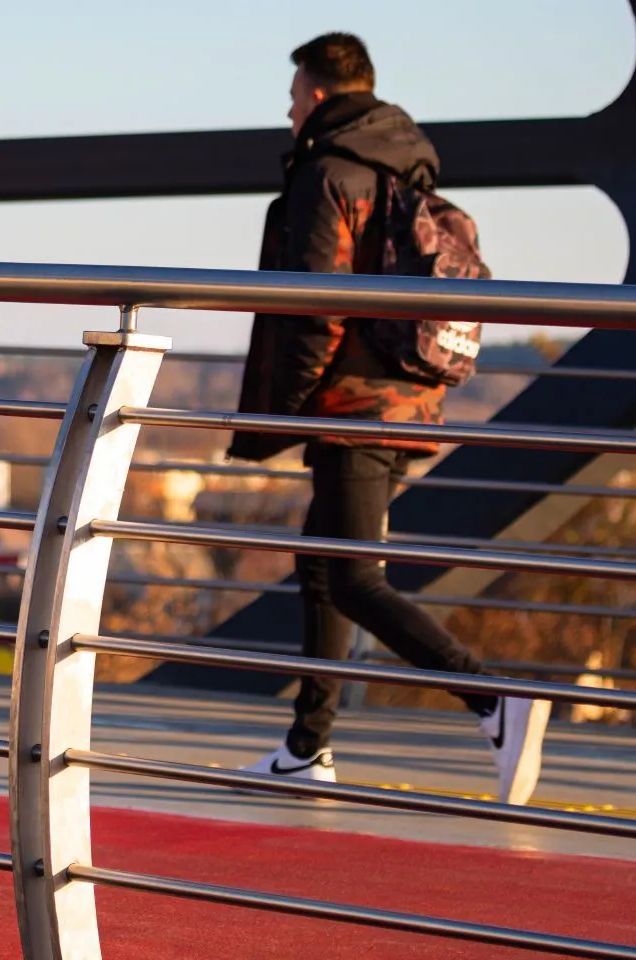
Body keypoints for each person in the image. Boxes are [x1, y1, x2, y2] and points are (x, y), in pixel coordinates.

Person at [227, 32, 549, 806]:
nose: (288, 111)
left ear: (317, 93)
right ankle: (307, 746)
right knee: (323, 566)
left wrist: (288, 404)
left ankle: (493, 699)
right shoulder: (405, 169)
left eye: (293, 97)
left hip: (352, 404)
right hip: (408, 396)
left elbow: (317, 306)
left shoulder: (329, 173)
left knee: (352, 578)